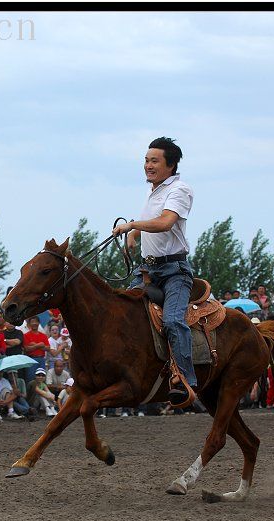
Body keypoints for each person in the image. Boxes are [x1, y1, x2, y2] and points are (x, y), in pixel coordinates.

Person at [113, 136, 196, 402]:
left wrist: (131, 225)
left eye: (154, 161)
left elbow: (165, 222)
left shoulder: (179, 190)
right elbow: (151, 222)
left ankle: (185, 381)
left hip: (174, 271)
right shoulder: (154, 191)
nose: (148, 165)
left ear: (170, 165)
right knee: (122, 315)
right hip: (148, 271)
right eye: (146, 160)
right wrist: (134, 236)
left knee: (173, 321)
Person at [22, 316, 50, 381]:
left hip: (41, 359)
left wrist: (34, 345)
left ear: (39, 323)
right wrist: (40, 345)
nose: (34, 323)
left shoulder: (43, 335)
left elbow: (48, 348)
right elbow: (27, 349)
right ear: (29, 324)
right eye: (32, 322)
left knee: (41, 379)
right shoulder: (26, 335)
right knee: (30, 379)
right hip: (31, 359)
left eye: (36, 321)